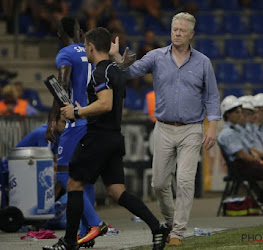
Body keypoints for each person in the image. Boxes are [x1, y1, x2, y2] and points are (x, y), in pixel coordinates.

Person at [43, 27, 169, 250]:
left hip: (98, 138)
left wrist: (78, 112)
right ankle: (157, 228)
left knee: (73, 183)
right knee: (116, 191)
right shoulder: (116, 70)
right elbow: (108, 102)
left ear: (90, 47)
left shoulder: (100, 72)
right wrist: (85, 108)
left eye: (86, 48)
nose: (85, 51)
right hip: (113, 138)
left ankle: (70, 241)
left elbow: (105, 104)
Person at [111, 12, 221, 246]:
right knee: (159, 183)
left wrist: (212, 128)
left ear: (191, 34)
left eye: (182, 30)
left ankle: (178, 232)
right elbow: (129, 72)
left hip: (192, 128)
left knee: (184, 180)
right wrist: (117, 59)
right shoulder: (156, 56)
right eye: (174, 29)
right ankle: (171, 221)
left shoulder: (203, 62)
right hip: (163, 127)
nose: (177, 33)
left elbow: (212, 97)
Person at [45, 16, 107, 248]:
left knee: (64, 175)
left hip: (77, 123)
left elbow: (61, 85)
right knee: (86, 180)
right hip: (95, 122)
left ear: (60, 33)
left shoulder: (66, 54)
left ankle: (95, 223)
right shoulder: (93, 51)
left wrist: (53, 119)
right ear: (81, 33)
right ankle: (85, 236)